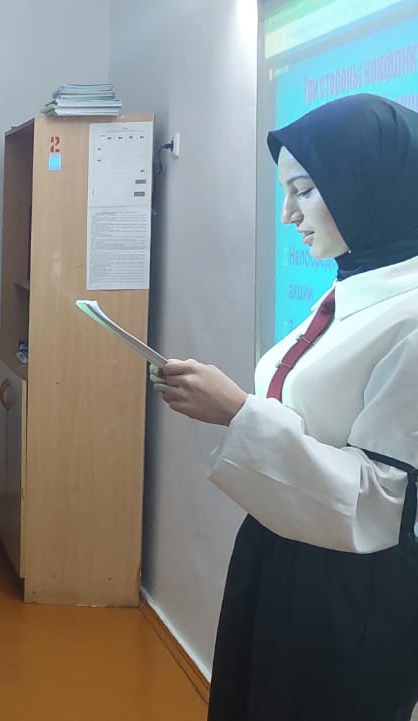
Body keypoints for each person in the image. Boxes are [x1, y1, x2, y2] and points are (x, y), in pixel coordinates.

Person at [152, 94, 418, 719]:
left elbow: (388, 502)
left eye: (304, 190)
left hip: (349, 591)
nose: (287, 214)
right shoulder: (354, 288)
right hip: (282, 553)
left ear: (367, 184)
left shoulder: (411, 318)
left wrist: (238, 413)